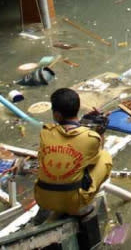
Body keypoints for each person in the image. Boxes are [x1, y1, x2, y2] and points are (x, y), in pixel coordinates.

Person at [34, 88, 112, 216]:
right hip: (73, 203)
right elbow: (94, 155)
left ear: (57, 115)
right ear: (77, 108)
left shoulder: (45, 133)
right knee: (104, 157)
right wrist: (100, 131)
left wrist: (83, 122)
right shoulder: (91, 137)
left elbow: (68, 133)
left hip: (42, 199)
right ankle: (85, 204)